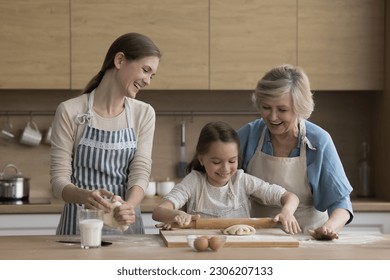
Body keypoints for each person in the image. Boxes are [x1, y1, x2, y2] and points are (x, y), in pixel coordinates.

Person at [50, 32, 162, 235]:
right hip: (79, 226)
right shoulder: (70, 111)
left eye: (151, 75)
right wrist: (84, 196)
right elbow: (59, 181)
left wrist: (128, 206)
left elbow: (140, 171)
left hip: (125, 226)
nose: (147, 81)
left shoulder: (144, 113)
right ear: (119, 60)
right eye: (145, 71)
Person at [237, 64, 354, 240]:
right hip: (257, 238)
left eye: (282, 110)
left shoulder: (319, 141)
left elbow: (341, 204)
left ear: (299, 108)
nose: (273, 117)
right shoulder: (249, 135)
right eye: (266, 107)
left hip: (308, 238)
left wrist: (328, 228)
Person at [152, 121, 301, 234]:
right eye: (216, 162)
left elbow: (290, 197)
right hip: (202, 252)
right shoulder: (194, 181)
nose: (225, 169)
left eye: (232, 161)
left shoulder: (242, 181)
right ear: (202, 159)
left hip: (240, 249)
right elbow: (159, 211)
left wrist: (287, 212)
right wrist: (176, 214)